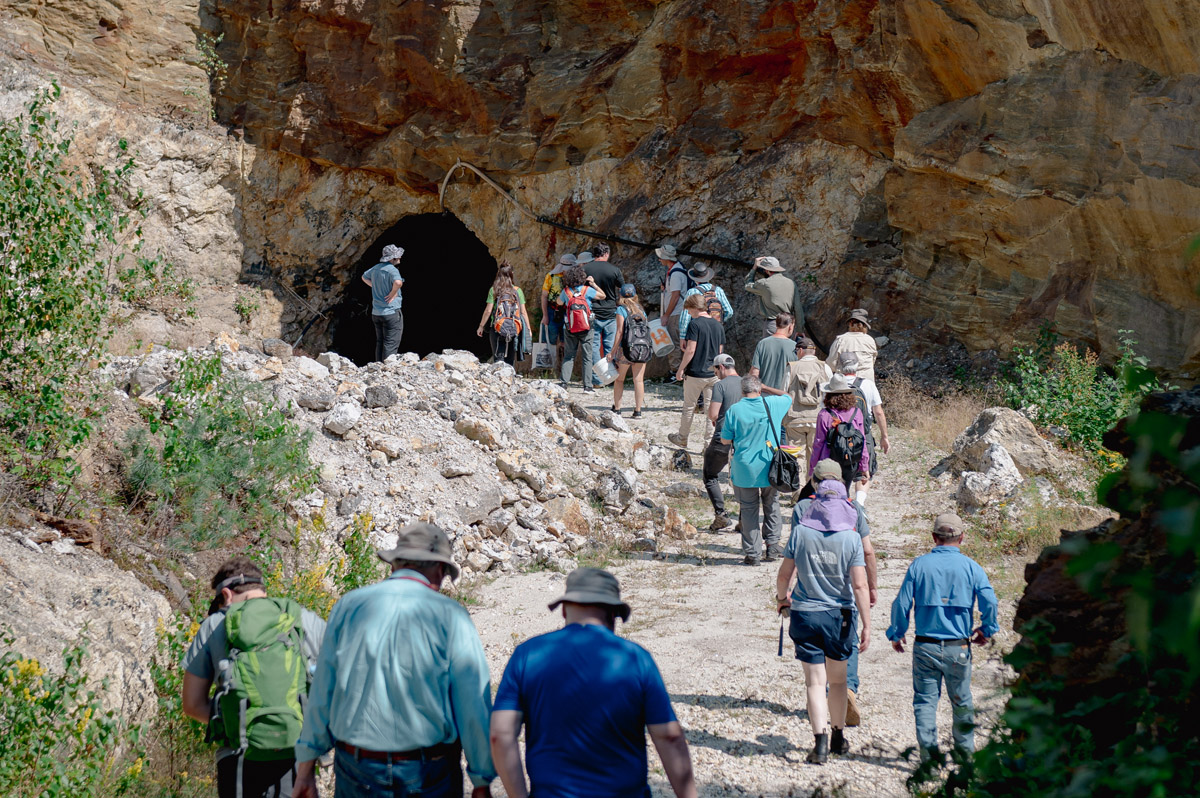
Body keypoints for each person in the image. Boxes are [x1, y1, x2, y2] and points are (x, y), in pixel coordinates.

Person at [292, 523, 496, 798]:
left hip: (356, 769)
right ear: (440, 570)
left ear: (394, 564)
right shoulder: (452, 615)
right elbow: (472, 704)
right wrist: (481, 779)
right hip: (428, 772)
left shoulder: (348, 606)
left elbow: (322, 692)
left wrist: (305, 768)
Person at [490, 568, 697, 798]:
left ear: (564, 609)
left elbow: (500, 734)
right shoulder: (636, 659)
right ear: (614, 613)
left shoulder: (527, 655)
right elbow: (669, 737)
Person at [181, 557, 326, 798]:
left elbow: (192, 704)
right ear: (262, 589)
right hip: (297, 758)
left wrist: (236, 723)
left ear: (226, 594)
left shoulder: (215, 625)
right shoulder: (303, 620)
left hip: (237, 758)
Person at [775, 477, 871, 764]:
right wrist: (867, 625)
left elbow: (784, 575)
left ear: (816, 502)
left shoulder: (801, 532)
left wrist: (782, 599)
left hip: (805, 614)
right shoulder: (851, 538)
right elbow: (859, 586)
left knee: (814, 683)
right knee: (838, 682)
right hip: (839, 617)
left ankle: (819, 744)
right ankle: (838, 737)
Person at [887, 513, 999, 761]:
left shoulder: (919, 566)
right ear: (962, 537)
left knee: (925, 702)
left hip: (925, 645)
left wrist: (897, 632)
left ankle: (929, 758)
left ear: (933, 537)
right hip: (958, 647)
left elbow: (901, 603)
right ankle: (964, 756)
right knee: (961, 701)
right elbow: (990, 601)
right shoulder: (971, 567)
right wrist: (987, 629)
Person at [792, 459, 877, 727]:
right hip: (845, 593)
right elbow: (868, 551)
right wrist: (872, 586)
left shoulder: (803, 508)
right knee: (848, 642)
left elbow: (796, 551)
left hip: (810, 593)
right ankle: (847, 689)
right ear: (841, 482)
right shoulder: (854, 510)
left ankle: (822, 706)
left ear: (814, 482)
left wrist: (787, 593)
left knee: (815, 661)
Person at [719, 375, 793, 565]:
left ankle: (753, 553)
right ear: (759, 390)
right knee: (772, 504)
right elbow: (788, 396)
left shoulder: (734, 410)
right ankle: (773, 545)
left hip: (744, 467)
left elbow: (725, 440)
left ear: (742, 391)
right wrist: (767, 388)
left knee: (748, 509)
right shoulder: (772, 404)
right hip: (770, 465)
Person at [667, 294, 725, 449]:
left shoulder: (695, 324)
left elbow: (691, 350)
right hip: (713, 373)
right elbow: (720, 351)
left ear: (694, 308)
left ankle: (682, 438)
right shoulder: (718, 325)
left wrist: (680, 369)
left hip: (695, 372)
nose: (688, 313)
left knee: (689, 407)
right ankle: (708, 444)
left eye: (689, 310)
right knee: (711, 410)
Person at [835, 351, 890, 505]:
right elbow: (878, 412)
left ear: (839, 366)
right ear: (857, 366)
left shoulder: (832, 385)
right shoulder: (868, 384)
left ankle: (841, 504)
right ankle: (859, 504)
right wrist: (884, 436)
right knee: (864, 473)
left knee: (840, 473)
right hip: (863, 435)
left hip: (838, 437)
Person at [809, 373, 871, 490]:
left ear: (828, 395)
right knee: (844, 491)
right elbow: (862, 441)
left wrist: (813, 468)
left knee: (829, 492)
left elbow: (818, 443)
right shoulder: (856, 412)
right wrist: (864, 466)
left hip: (829, 462)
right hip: (851, 460)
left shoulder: (824, 414)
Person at [702, 354, 741, 531]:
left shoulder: (720, 385)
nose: (715, 374)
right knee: (742, 480)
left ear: (722, 367)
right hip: (744, 439)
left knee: (710, 475)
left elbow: (713, 413)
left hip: (722, 438)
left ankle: (721, 515)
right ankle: (744, 519)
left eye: (716, 370)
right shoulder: (747, 384)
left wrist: (714, 419)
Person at [784, 336, 833, 469]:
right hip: (818, 418)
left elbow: (784, 393)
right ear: (814, 351)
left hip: (795, 419)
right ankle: (812, 481)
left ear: (800, 350)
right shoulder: (824, 367)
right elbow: (831, 393)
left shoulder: (792, 367)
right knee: (815, 455)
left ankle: (798, 482)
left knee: (796, 456)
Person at [557, 264, 605, 393]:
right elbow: (603, 296)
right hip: (587, 328)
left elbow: (559, 303)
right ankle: (587, 386)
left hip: (570, 328)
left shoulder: (566, 292)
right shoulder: (587, 290)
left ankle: (564, 383)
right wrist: (593, 284)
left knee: (569, 356)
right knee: (587, 357)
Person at [585, 243, 625, 387]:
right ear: (606, 253)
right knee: (610, 346)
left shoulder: (586, 269)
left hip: (592, 313)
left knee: (594, 347)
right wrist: (620, 304)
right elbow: (623, 289)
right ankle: (611, 378)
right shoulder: (614, 270)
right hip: (610, 312)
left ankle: (598, 380)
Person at [476, 263, 531, 367]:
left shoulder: (494, 290)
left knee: (498, 357)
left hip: (497, 327)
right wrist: (528, 329)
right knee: (510, 358)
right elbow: (523, 312)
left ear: (499, 274)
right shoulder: (518, 291)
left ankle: (499, 375)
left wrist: (481, 326)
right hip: (514, 327)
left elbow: (488, 310)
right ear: (512, 274)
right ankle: (510, 375)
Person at [609, 284, 650, 418]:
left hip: (625, 350)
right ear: (635, 295)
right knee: (638, 380)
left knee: (619, 380)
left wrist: (612, 352)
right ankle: (638, 411)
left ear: (620, 295)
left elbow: (620, 332)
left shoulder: (621, 309)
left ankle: (617, 409)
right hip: (641, 348)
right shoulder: (641, 310)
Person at [362, 244, 405, 361]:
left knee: (380, 342)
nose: (400, 258)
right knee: (391, 343)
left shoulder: (376, 268)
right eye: (398, 256)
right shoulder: (392, 270)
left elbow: (364, 277)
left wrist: (374, 286)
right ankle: (388, 367)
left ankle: (379, 366)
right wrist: (393, 292)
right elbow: (398, 282)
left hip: (376, 313)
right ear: (392, 258)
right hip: (391, 312)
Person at [744, 255, 804, 337]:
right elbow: (798, 308)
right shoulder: (791, 283)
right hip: (788, 325)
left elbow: (748, 285)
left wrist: (755, 267)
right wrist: (800, 329)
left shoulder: (764, 284)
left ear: (767, 270)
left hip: (772, 325)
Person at [656, 243, 692, 376]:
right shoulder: (677, 269)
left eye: (661, 257)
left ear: (667, 258)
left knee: (674, 342)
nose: (659, 259)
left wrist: (666, 315)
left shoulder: (675, 274)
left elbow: (676, 296)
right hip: (678, 312)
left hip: (676, 313)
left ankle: (676, 372)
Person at [676, 262, 733, 340]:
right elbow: (729, 311)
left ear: (695, 279)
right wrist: (718, 321)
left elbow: (685, 317)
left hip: (697, 331)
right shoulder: (718, 290)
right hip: (716, 331)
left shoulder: (692, 292)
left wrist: (682, 337)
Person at [750, 312, 798, 395]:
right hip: (785, 397)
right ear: (790, 327)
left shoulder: (762, 344)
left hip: (764, 396)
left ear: (776, 325)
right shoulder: (795, 347)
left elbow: (754, 373)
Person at [826, 308, 878, 383]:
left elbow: (831, 364)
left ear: (850, 324)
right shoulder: (870, 340)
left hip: (845, 382)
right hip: (867, 382)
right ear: (864, 325)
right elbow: (872, 361)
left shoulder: (841, 340)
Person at [541, 253, 575, 355]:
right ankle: (551, 362)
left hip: (568, 312)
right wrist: (545, 315)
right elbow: (544, 296)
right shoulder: (551, 276)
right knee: (551, 340)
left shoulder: (575, 278)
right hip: (553, 311)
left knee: (567, 341)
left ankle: (564, 360)